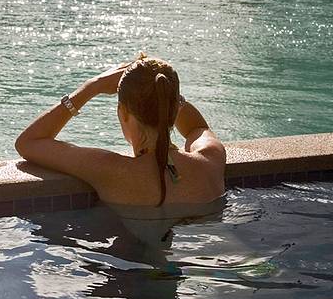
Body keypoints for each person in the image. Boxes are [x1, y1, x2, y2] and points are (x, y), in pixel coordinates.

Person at [14, 55, 225, 209]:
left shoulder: (111, 170)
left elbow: (29, 142)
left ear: (122, 112)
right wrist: (165, 93)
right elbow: (198, 128)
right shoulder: (210, 161)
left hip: (133, 268)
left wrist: (92, 87)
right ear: (175, 108)